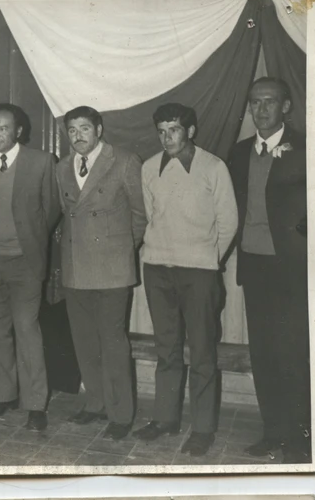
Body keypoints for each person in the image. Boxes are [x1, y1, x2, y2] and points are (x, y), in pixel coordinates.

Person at [134, 103, 238, 456]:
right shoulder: (149, 168)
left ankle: (203, 428)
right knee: (166, 349)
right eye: (161, 132)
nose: (167, 138)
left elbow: (228, 223)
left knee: (203, 351)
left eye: (174, 130)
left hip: (200, 274)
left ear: (190, 131)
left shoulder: (214, 167)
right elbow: (152, 217)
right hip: (158, 269)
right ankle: (166, 418)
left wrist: (207, 261)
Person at [228, 77, 311, 464]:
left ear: (285, 107)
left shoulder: (306, 149)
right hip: (254, 266)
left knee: (293, 352)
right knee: (262, 354)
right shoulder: (239, 152)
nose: (261, 110)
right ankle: (272, 432)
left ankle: (300, 437)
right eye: (255, 102)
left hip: (291, 270)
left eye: (269, 102)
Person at [0, 103, 60, 431]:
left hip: (24, 262)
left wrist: (28, 240)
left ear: (18, 131)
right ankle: (4, 395)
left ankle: (35, 403)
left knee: (26, 328)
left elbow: (51, 210)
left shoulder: (41, 162)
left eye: (3, 128)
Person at [56, 106, 146, 440]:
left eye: (84, 128)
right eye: (72, 130)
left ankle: (121, 414)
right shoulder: (63, 167)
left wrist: (120, 250)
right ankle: (95, 404)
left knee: (112, 342)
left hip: (111, 269)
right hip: (75, 267)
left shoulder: (123, 161)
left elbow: (141, 214)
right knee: (84, 341)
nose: (78, 136)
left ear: (99, 129)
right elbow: (66, 213)